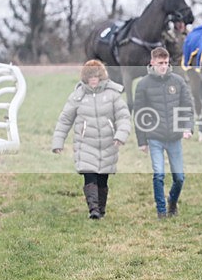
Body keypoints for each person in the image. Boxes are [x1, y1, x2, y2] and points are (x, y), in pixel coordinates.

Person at [52, 60, 131, 219]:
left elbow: (123, 117)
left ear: (101, 76)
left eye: (96, 76)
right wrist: (58, 142)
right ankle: (93, 210)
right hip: (85, 143)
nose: (93, 79)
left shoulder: (113, 94)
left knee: (102, 180)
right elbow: (65, 119)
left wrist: (120, 135)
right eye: (90, 76)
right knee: (90, 176)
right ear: (85, 78)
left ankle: (101, 210)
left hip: (108, 144)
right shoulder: (77, 96)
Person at [134, 47, 194, 219]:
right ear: (152, 62)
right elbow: (139, 114)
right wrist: (142, 141)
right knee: (159, 174)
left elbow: (187, 107)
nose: (163, 66)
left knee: (179, 178)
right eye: (160, 63)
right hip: (155, 137)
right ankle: (161, 211)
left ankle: (172, 202)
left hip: (174, 137)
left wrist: (187, 127)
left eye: (166, 63)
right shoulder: (143, 84)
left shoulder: (178, 81)